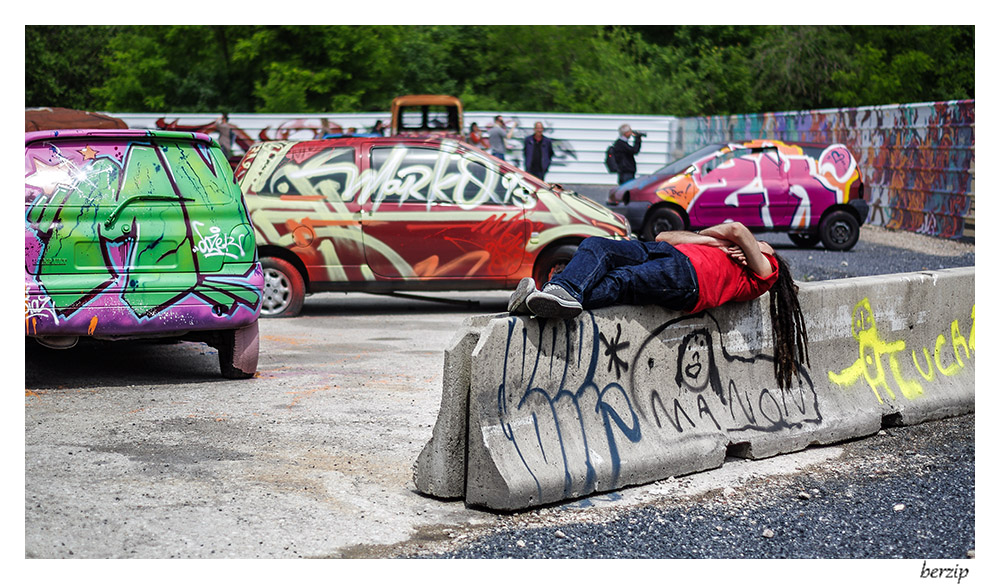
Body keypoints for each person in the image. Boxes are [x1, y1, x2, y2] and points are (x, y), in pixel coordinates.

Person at [508, 221, 809, 391]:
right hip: (664, 251)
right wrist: (715, 243)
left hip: (689, 279)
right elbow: (664, 236)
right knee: (597, 245)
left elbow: (738, 229)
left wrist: (749, 246)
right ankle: (559, 292)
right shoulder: (723, 249)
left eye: (765, 249)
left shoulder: (765, 274)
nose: (762, 248)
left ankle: (550, 298)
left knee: (621, 280)